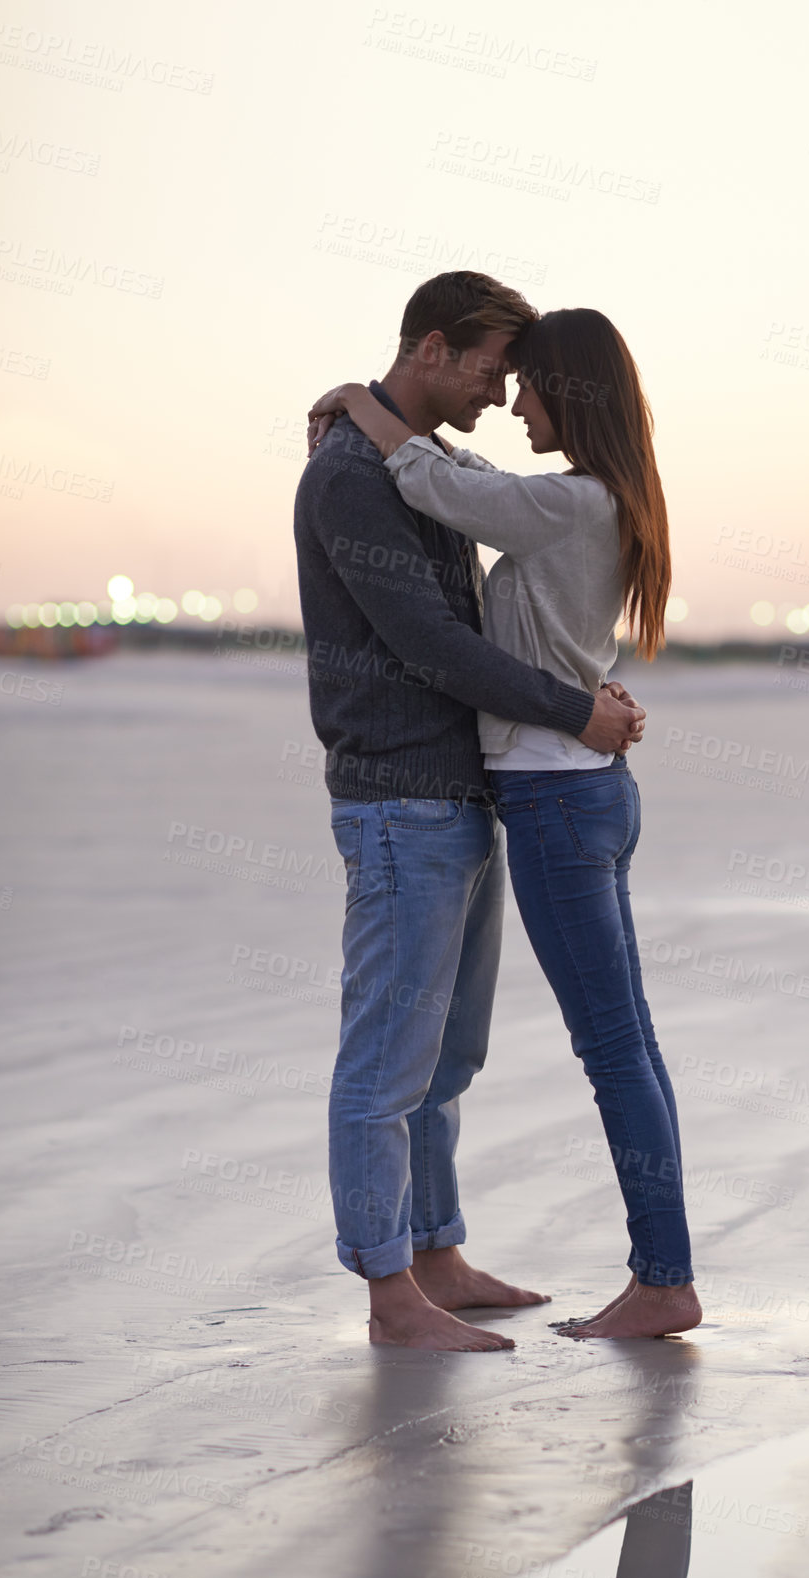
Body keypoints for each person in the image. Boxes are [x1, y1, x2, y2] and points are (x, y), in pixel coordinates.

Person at [306, 307, 701, 1340]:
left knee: (613, 1047)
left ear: (569, 394)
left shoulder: (565, 502)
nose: (511, 399)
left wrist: (357, 400)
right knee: (619, 1042)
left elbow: (441, 486)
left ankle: (664, 1278)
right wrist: (589, 700)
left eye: (525, 384)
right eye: (500, 376)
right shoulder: (596, 498)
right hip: (571, 790)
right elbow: (463, 521)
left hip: (556, 794)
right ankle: (473, 1263)